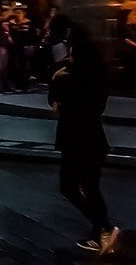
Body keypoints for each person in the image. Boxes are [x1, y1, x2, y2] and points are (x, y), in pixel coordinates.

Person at [49, 19, 121, 255]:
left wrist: (57, 78)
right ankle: (101, 233)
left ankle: (105, 228)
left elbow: (56, 105)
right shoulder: (96, 75)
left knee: (69, 185)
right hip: (94, 138)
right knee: (90, 186)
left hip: (75, 138)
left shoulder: (67, 79)